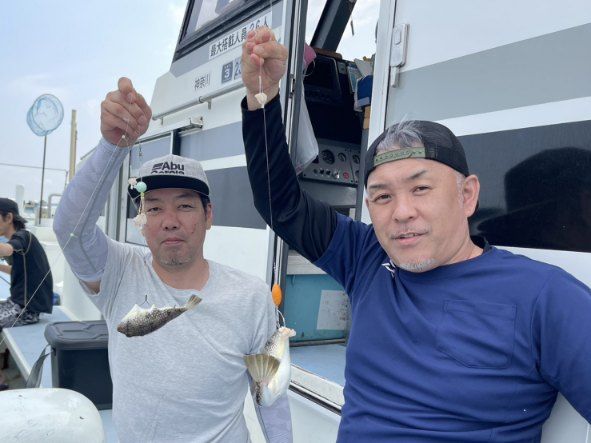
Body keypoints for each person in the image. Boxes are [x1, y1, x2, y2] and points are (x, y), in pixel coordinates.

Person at [240, 28, 591, 442]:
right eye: (383, 196)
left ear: (467, 195)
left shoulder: (546, 296)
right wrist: (262, 97)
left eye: (421, 188)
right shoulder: (365, 256)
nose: (402, 212)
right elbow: (281, 205)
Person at [53, 78, 291, 442]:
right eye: (154, 208)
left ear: (208, 215)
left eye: (184, 206)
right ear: (141, 219)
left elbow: (270, 395)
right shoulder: (118, 272)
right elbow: (70, 227)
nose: (169, 220)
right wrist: (113, 146)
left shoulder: (252, 296)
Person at [0, 197, 53, 330]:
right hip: (15, 304)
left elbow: (6, 250)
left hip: (26, 311)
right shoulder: (21, 241)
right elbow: (16, 270)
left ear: (8, 217)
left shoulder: (23, 236)